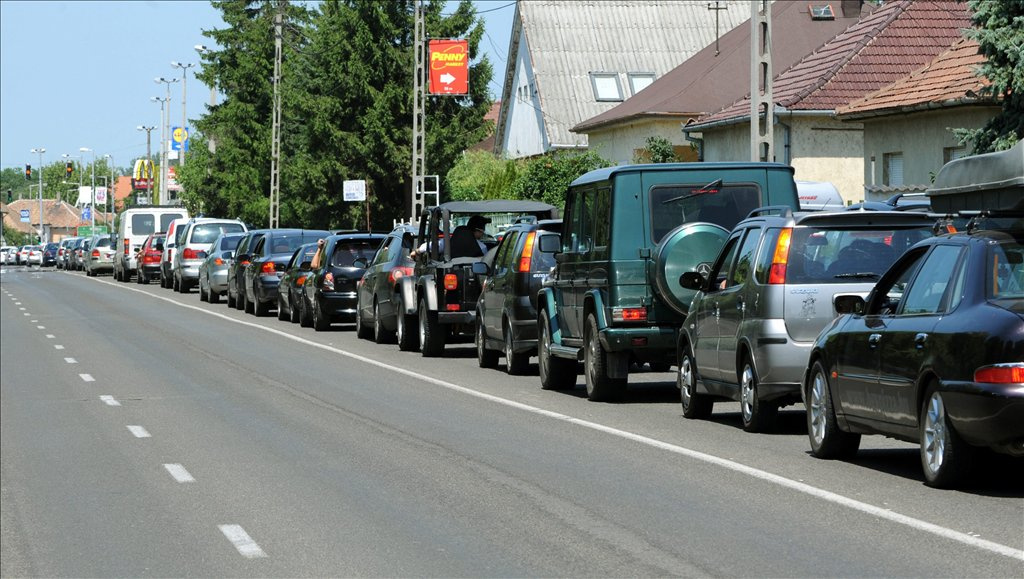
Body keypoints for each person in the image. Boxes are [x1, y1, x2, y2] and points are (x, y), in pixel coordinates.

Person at [410, 215, 490, 259]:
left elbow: (432, 245)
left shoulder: (448, 242)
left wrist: (417, 251)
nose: (482, 234)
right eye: (482, 232)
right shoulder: (482, 247)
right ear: (477, 230)